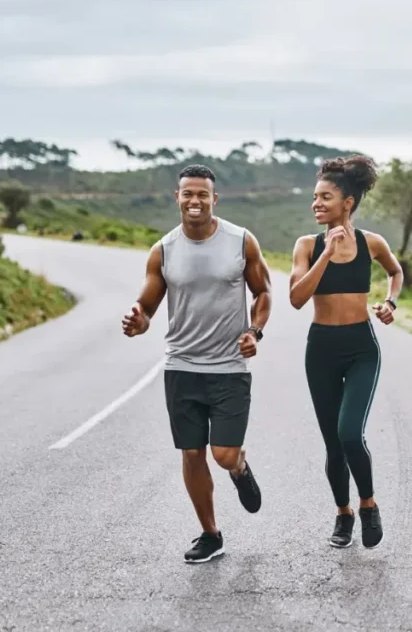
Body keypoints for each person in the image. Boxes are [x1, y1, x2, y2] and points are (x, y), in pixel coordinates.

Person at [121, 164, 272, 564]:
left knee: (223, 453)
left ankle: (239, 467)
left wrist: (255, 331)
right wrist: (138, 321)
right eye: (188, 193)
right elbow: (148, 305)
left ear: (214, 199)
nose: (195, 201)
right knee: (192, 453)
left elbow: (263, 293)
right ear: (177, 197)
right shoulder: (164, 250)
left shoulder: (241, 241)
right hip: (182, 366)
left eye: (202, 194)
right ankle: (210, 533)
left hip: (228, 368)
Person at [289, 155, 404, 550]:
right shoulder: (306, 246)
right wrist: (325, 253)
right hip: (320, 350)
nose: (316, 204)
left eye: (325, 197)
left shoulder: (373, 243)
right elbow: (296, 298)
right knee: (333, 444)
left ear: (348, 203)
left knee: (350, 433)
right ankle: (343, 514)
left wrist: (391, 303)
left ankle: (368, 504)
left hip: (360, 348)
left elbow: (395, 271)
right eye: (315, 197)